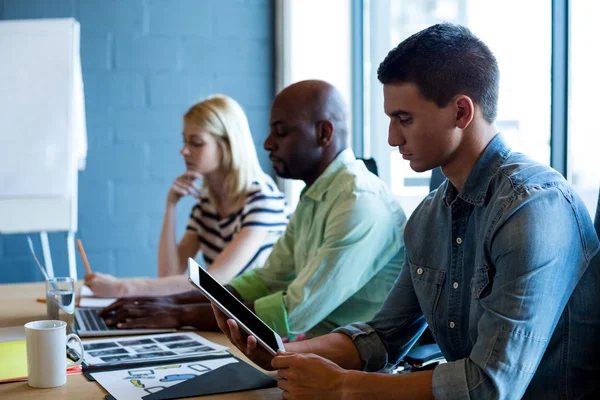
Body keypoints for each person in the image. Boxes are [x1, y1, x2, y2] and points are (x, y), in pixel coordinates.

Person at [215, 24, 600, 399]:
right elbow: (384, 336)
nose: (392, 138)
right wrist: (283, 353)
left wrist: (344, 387)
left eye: (404, 119)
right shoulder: (430, 215)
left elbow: (489, 386)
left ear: (460, 113)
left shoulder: (534, 208)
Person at [99, 80, 407, 339]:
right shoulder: (315, 195)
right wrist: (168, 303)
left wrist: (178, 314)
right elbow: (265, 280)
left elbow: (291, 313)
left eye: (281, 132)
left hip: (354, 367)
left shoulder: (357, 202)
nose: (268, 144)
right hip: (310, 348)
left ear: (323, 134)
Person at [84, 95, 289, 297]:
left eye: (196, 143)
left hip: (260, 322)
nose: (184, 151)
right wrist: (170, 206)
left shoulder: (263, 200)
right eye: (185, 141)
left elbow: (216, 281)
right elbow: (169, 274)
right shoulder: (206, 204)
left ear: (227, 145)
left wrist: (123, 288)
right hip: (226, 318)